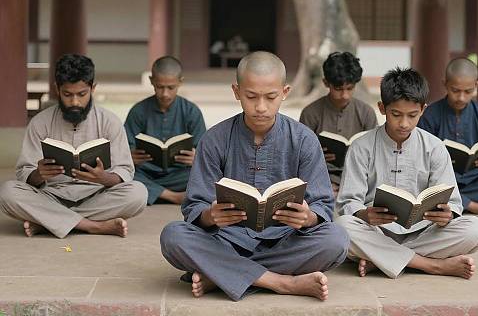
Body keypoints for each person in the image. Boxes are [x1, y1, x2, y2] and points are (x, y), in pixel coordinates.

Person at [160, 51, 349, 301]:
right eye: (251, 97)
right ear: (237, 92)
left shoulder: (304, 140)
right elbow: (195, 207)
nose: (261, 107)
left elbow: (323, 206)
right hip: (226, 239)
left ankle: (220, 274)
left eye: (271, 97)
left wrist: (308, 217)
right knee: (173, 236)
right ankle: (281, 282)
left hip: (284, 239)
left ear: (285, 92)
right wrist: (210, 215)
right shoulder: (214, 139)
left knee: (336, 240)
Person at [336, 67, 478, 280]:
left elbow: (453, 203)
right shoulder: (361, 146)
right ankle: (431, 265)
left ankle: (380, 259)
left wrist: (447, 214)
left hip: (424, 233)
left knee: (475, 229)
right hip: (375, 231)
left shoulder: (434, 147)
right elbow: (348, 203)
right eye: (396, 114)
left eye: (412, 115)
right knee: (342, 228)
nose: (404, 123)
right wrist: (363, 214)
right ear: (382, 108)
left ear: (423, 110)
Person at [0, 54, 147, 238]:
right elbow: (24, 174)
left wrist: (103, 178)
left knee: (138, 194)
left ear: (93, 88)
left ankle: (47, 223)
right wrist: (39, 174)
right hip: (51, 196)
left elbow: (125, 171)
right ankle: (93, 226)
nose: (75, 102)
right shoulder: (40, 123)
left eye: (82, 94)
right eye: (67, 95)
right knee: (8, 193)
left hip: (96, 196)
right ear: (57, 89)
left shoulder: (110, 122)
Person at [418, 57, 478, 217]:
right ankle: (477, 207)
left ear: (476, 86)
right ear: (445, 84)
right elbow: (421, 163)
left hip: (476, 181)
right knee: (424, 187)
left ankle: (454, 203)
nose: (461, 97)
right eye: (455, 90)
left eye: (468, 91)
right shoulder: (430, 115)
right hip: (441, 182)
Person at [124, 56, 206, 205]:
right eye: (160, 87)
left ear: (180, 82)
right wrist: (130, 156)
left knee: (208, 176)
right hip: (145, 173)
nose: (165, 94)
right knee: (124, 174)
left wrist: (196, 158)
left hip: (180, 174)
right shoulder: (138, 111)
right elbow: (123, 150)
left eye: (171, 87)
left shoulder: (191, 111)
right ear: (151, 81)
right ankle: (174, 197)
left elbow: (205, 153)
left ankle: (154, 193)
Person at [300, 52, 377, 191]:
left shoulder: (366, 113)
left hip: (359, 176)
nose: (345, 95)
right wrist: (317, 155)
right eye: (338, 89)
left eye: (350, 88)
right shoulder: (310, 113)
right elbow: (301, 156)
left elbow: (376, 154)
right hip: (321, 176)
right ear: (326, 83)